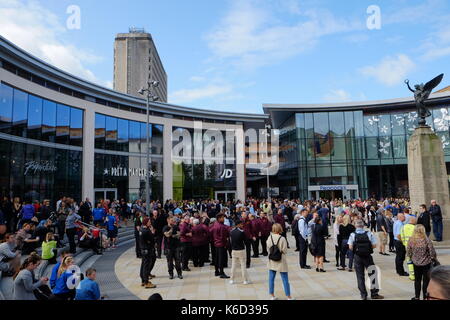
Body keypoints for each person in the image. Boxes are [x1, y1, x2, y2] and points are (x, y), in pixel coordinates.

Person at [348, 219, 384, 300]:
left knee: (360, 276)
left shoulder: (352, 234)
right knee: (373, 274)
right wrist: (367, 248)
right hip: (367, 256)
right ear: (363, 226)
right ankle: (374, 294)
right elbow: (374, 245)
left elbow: (350, 247)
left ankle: (363, 295)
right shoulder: (369, 233)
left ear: (355, 226)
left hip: (357, 257)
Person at [406, 224, 437, 300]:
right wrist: (433, 258)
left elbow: (408, 251)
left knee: (417, 280)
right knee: (426, 281)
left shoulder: (411, 239)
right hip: (426, 263)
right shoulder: (427, 240)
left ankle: (417, 297)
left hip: (416, 263)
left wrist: (411, 257)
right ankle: (425, 297)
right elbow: (432, 252)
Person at [267, 223, 293, 300]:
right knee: (285, 279)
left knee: (271, 278)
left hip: (272, 260)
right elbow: (285, 250)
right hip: (280, 260)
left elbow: (268, 248)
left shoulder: (269, 237)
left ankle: (272, 295)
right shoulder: (282, 238)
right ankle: (288, 296)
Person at [229, 219, 250, 285]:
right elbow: (246, 241)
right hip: (241, 250)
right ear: (238, 225)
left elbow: (230, 242)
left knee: (233, 266)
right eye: (241, 224)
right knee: (243, 266)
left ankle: (232, 279)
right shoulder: (242, 232)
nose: (242, 225)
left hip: (234, 250)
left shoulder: (231, 231)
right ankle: (245, 280)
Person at [210, 213, 230, 278]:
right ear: (219, 218)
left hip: (216, 243)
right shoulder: (221, 226)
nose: (224, 219)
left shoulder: (214, 224)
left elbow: (210, 232)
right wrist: (225, 244)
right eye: (223, 218)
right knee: (221, 259)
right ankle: (221, 272)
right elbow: (223, 237)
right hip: (221, 244)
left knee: (216, 258)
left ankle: (216, 271)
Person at [139, 217, 157, 288]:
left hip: (143, 249)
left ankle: (143, 280)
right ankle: (146, 282)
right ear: (146, 222)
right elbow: (152, 239)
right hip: (147, 250)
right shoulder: (146, 230)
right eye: (149, 222)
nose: (150, 223)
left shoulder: (141, 229)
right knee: (146, 266)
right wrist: (152, 232)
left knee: (143, 265)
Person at [400, 216, 417, 281]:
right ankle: (416, 274)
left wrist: (405, 244)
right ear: (413, 221)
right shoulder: (415, 228)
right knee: (415, 260)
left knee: (409, 261)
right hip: (415, 247)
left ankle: (412, 275)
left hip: (407, 246)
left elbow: (402, 237)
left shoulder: (403, 227)